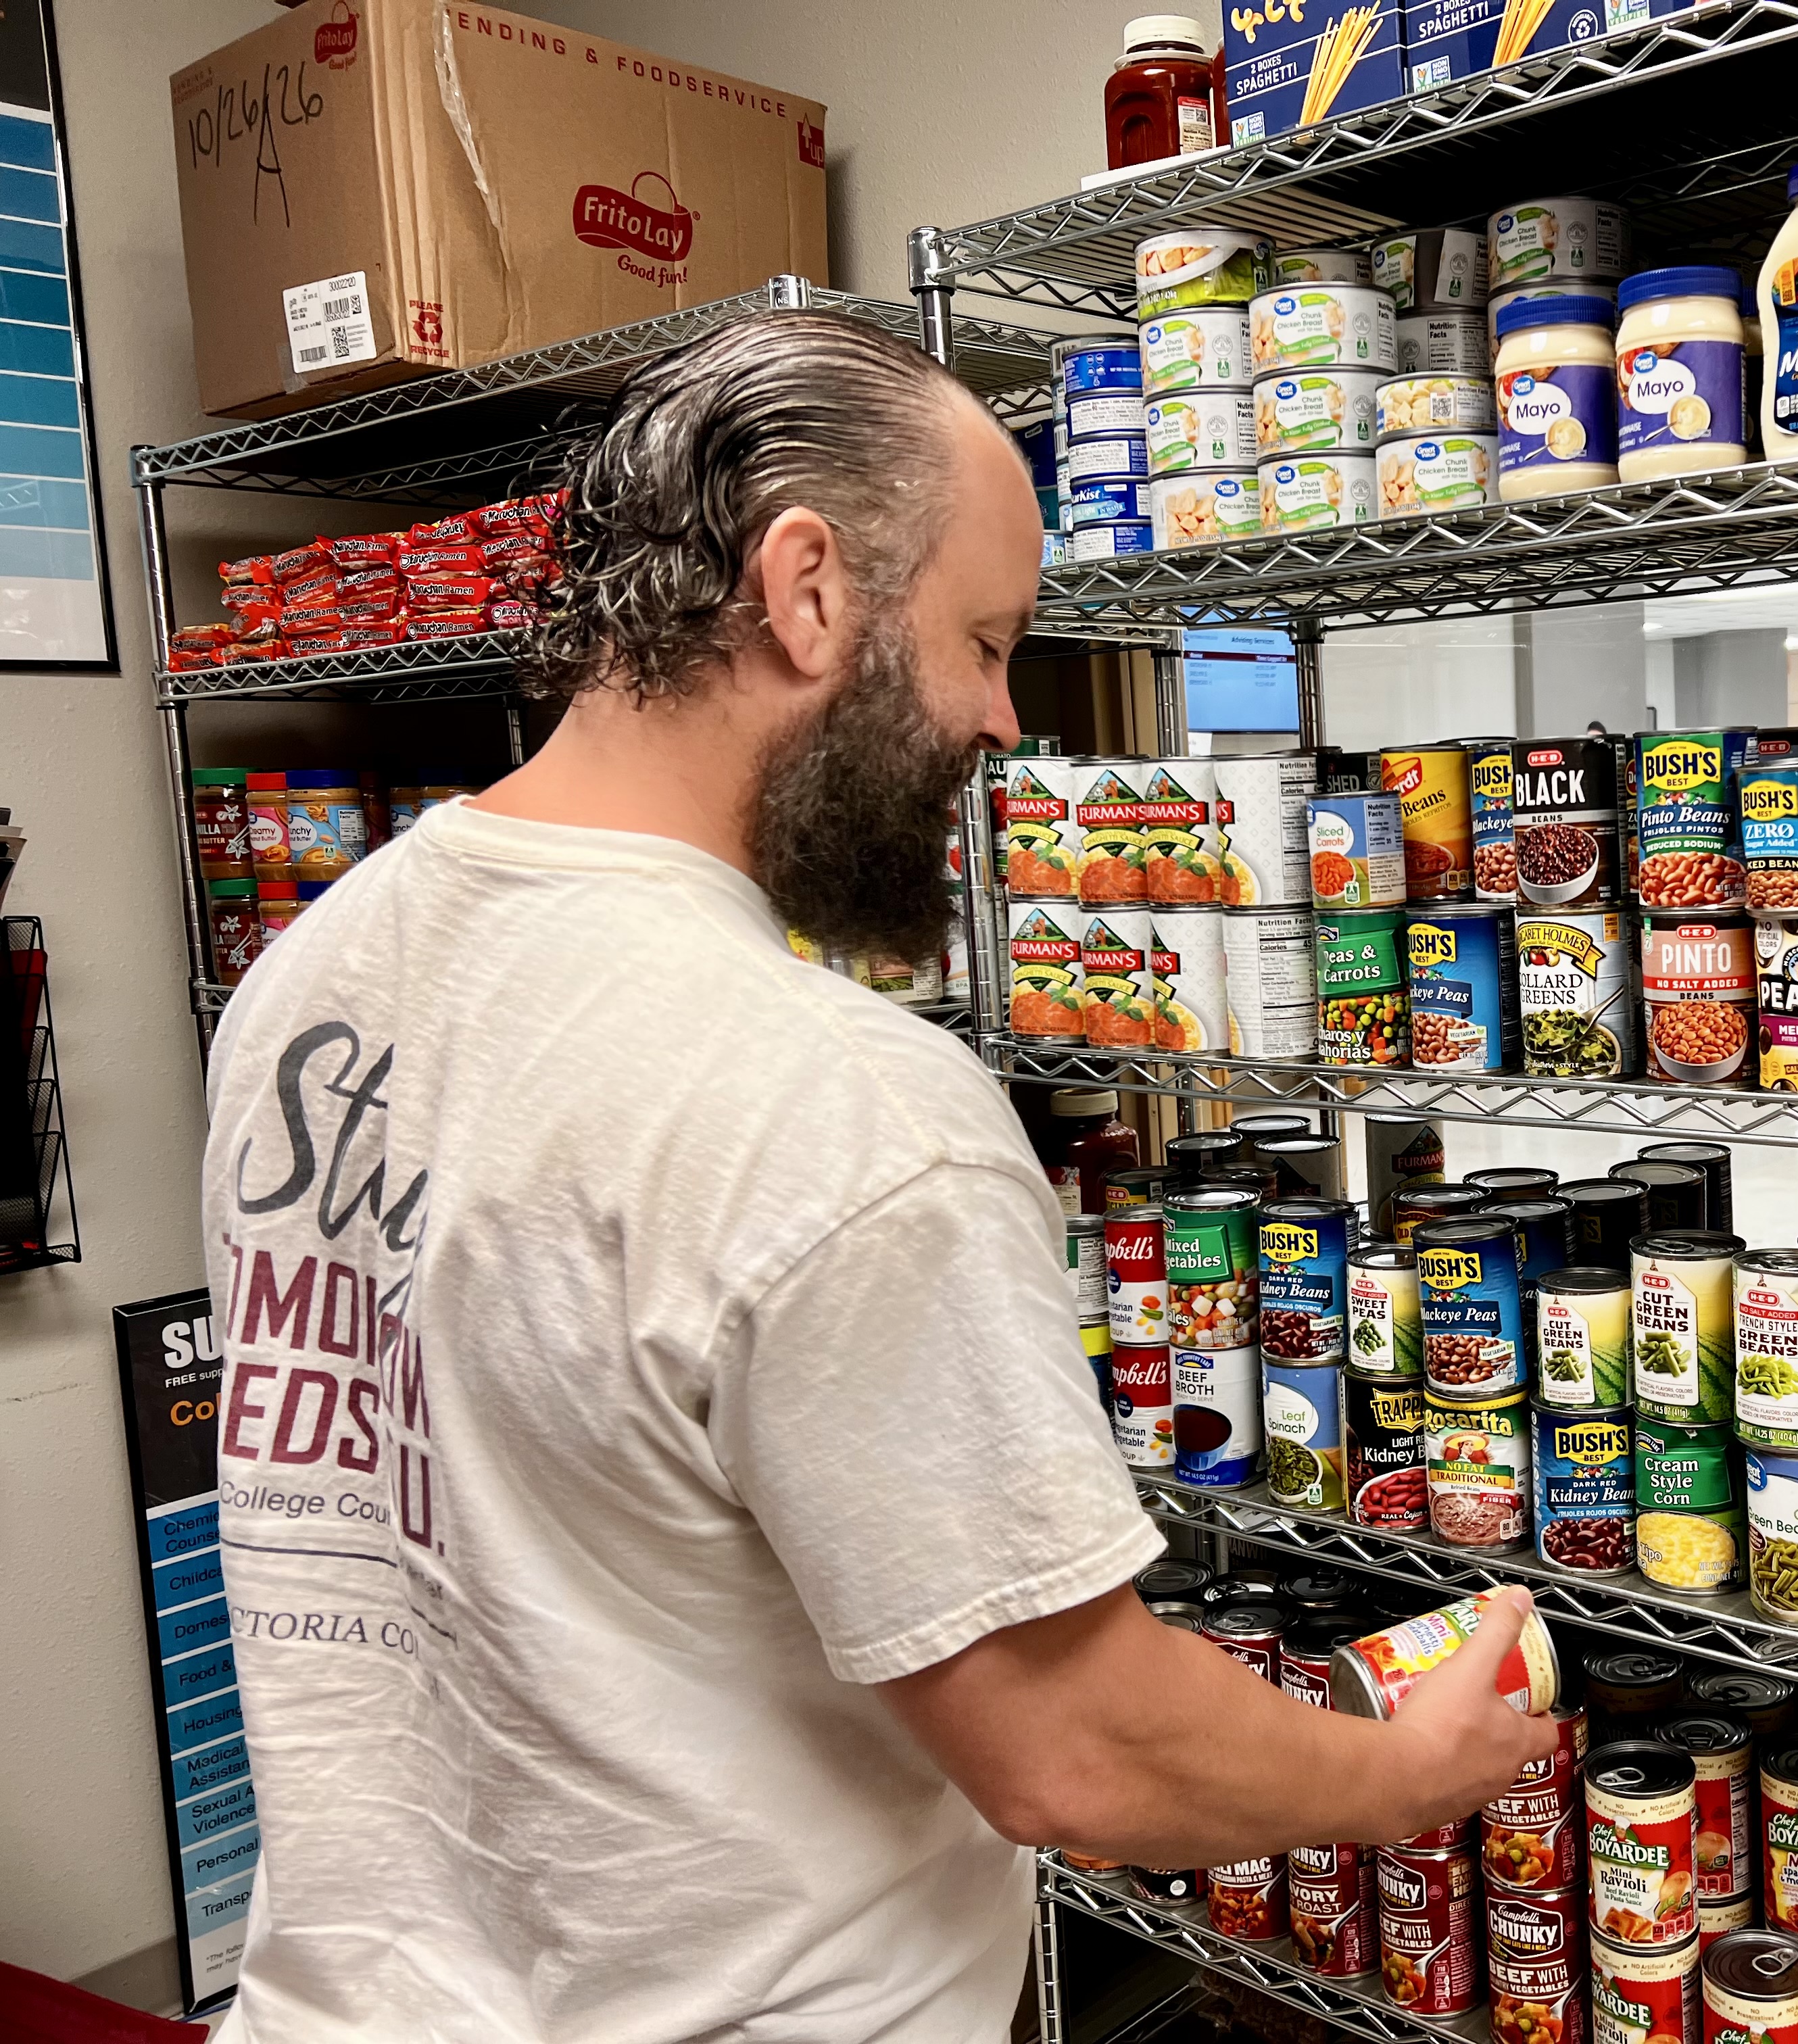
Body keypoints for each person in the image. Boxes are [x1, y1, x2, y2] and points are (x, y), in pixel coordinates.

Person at [199, 313, 1553, 2043]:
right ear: (809, 589)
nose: (1000, 722)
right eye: (985, 642)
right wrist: (1393, 1774)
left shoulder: (318, 971)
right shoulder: (835, 1099)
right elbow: (1077, 1749)